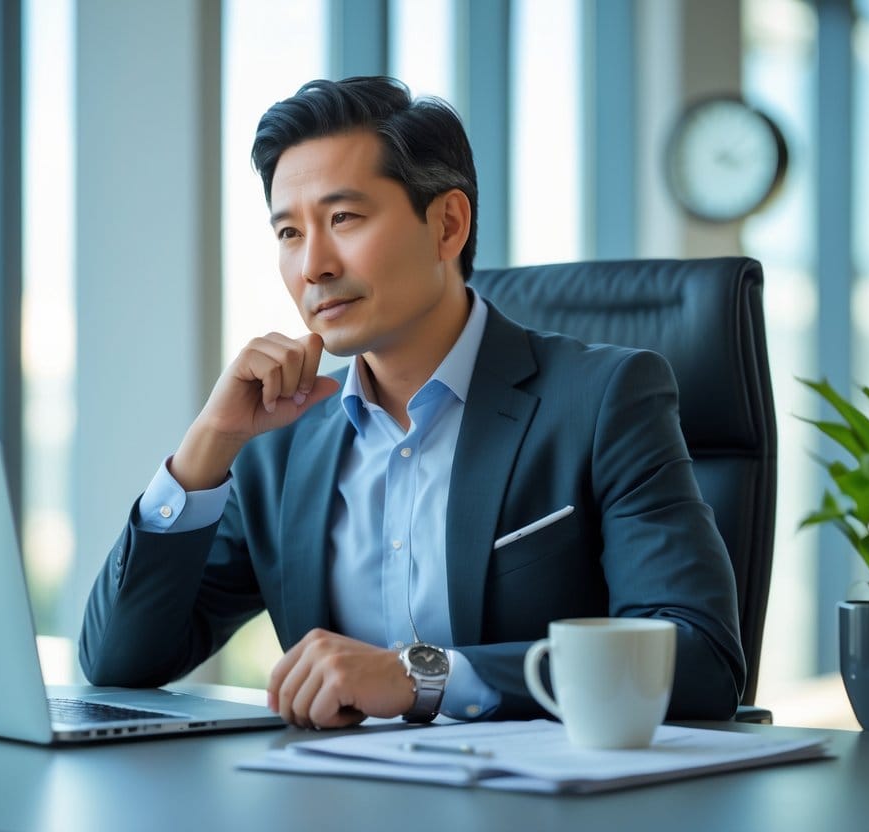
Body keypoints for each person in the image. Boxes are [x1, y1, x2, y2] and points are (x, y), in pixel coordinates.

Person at [79, 76, 745, 729]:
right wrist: (207, 447)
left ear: (447, 225)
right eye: (288, 233)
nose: (313, 266)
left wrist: (423, 675)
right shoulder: (280, 442)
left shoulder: (603, 400)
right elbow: (118, 662)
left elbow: (698, 657)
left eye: (342, 218)